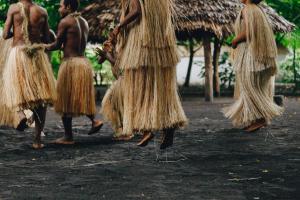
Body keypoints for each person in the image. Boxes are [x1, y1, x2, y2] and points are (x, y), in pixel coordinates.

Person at [109, 0, 187, 149]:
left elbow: (136, 11)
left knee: (140, 87)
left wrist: (119, 26)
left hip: (141, 46)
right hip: (160, 45)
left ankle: (146, 129)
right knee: (161, 88)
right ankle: (168, 126)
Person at [46, 0, 103, 145]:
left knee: (64, 99)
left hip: (70, 64)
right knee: (82, 96)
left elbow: (57, 45)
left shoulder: (65, 22)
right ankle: (94, 121)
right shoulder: (84, 21)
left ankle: (68, 136)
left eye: (61, 6)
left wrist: (41, 47)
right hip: (83, 63)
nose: (59, 9)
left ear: (68, 7)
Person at [2, 0, 56, 149]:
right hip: (37, 54)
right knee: (41, 98)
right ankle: (37, 141)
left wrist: (15, 32)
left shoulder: (13, 8)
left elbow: (5, 34)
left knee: (16, 89)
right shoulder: (42, 11)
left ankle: (20, 115)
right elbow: (46, 38)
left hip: (18, 55)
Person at [223, 0, 283, 132]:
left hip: (251, 57)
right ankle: (258, 119)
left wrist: (235, 41)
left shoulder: (247, 9)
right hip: (259, 58)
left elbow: (248, 31)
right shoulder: (258, 10)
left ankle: (261, 118)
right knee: (256, 88)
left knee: (250, 88)